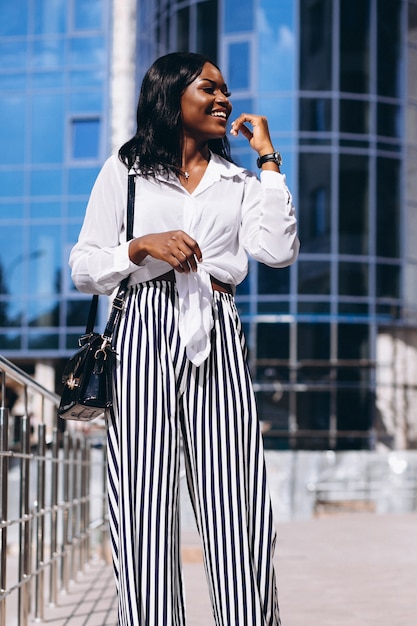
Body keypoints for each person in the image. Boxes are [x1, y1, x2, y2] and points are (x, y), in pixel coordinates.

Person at [69, 51, 299, 626]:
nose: (223, 99)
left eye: (225, 90)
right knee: (143, 510)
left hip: (216, 328)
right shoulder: (123, 170)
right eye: (208, 89)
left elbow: (276, 250)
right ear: (171, 96)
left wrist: (268, 159)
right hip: (141, 328)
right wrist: (140, 246)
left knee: (239, 510)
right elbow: (83, 265)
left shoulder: (239, 180)